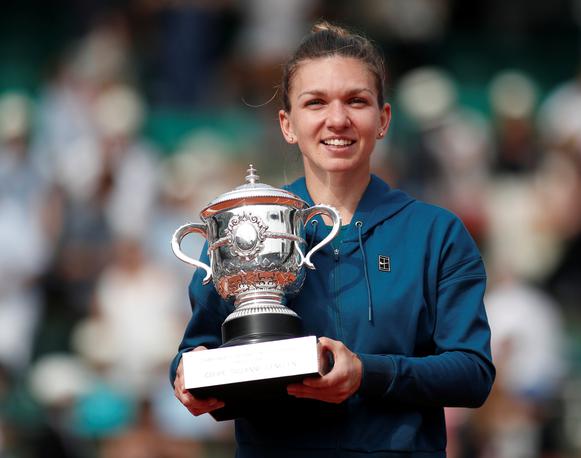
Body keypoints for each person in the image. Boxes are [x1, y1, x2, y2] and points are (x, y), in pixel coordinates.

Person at [170, 21, 495, 457]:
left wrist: (368, 373)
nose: (337, 119)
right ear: (287, 123)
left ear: (383, 120)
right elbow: (198, 350)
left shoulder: (436, 233)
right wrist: (187, 380)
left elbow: (472, 372)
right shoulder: (247, 226)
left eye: (356, 101)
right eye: (316, 102)